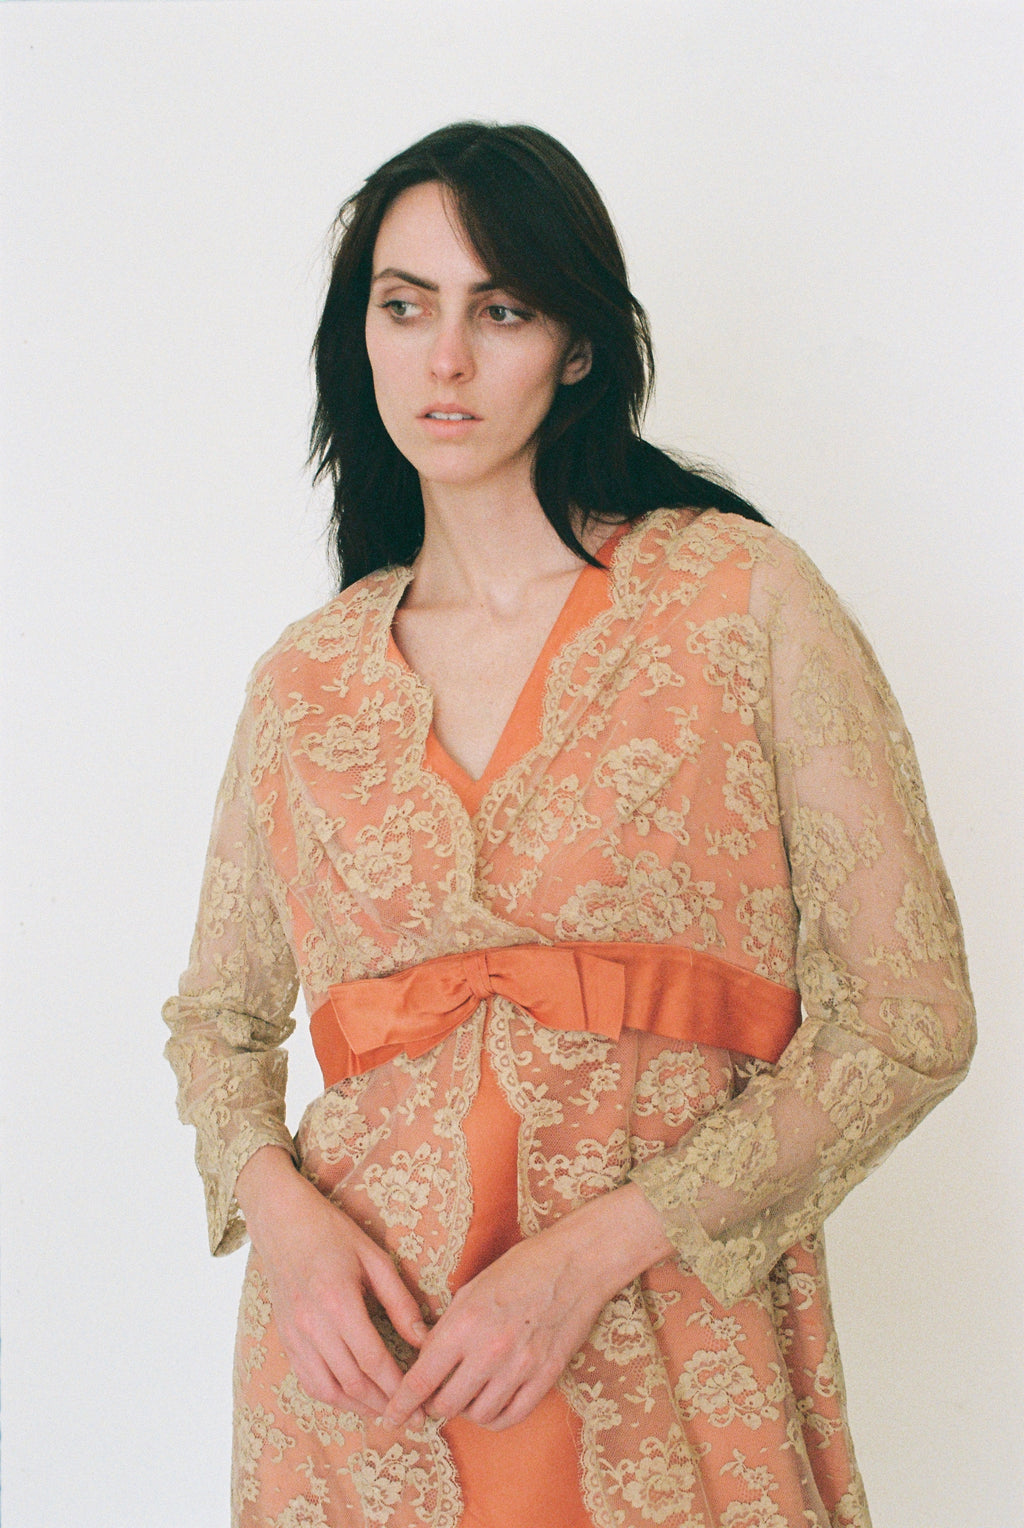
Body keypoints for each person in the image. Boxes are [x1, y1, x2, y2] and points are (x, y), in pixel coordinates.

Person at [164, 122, 975, 1528]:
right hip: (364, 1398)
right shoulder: (307, 683)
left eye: (504, 310)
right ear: (361, 337)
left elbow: (910, 1017)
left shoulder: (741, 601)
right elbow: (218, 1023)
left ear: (580, 347)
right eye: (403, 306)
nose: (447, 359)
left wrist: (592, 1254)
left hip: (665, 1339)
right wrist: (283, 1223)